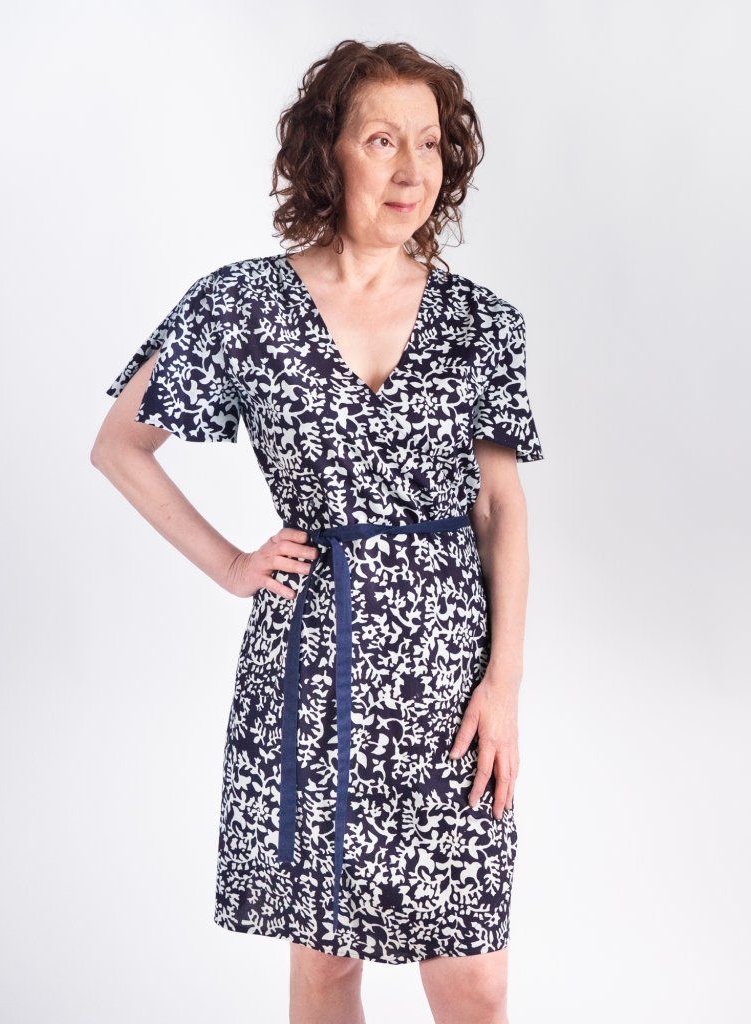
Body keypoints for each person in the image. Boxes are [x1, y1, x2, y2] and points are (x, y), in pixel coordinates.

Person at [90, 39, 544, 1024]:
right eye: (382, 140)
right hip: (312, 668)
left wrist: (503, 685)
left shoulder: (480, 324)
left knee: (472, 976)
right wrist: (231, 565)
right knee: (327, 963)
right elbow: (120, 445)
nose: (412, 168)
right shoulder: (244, 306)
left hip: (450, 683)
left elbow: (500, 508)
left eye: (429, 143)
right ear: (326, 152)